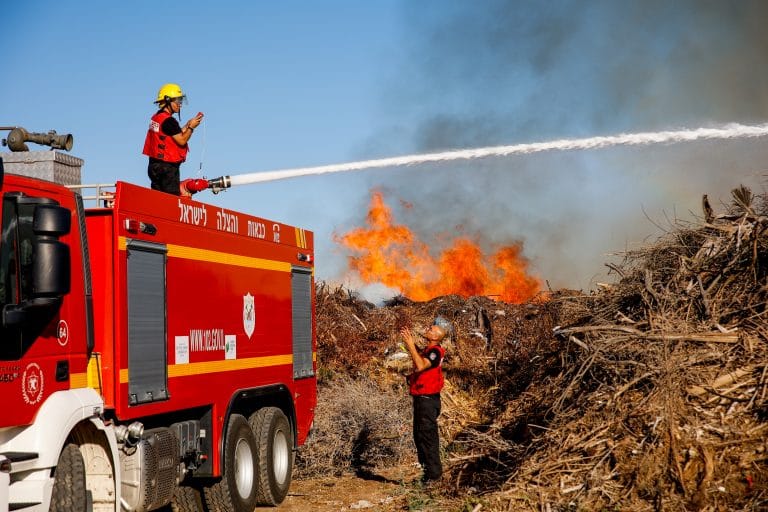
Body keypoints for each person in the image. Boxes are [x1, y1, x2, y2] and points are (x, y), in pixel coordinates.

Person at [400, 315, 450, 484]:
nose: (429, 328)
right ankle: (428, 474)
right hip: (422, 400)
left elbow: (421, 365)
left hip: (428, 401)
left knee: (428, 437)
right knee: (420, 436)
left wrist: (409, 344)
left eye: (433, 328)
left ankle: (434, 477)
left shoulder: (435, 351)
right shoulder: (428, 350)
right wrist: (411, 342)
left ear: (437, 337)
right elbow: (419, 359)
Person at [143, 83, 204, 196]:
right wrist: (191, 127)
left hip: (154, 167)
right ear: (167, 101)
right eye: (177, 101)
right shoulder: (169, 121)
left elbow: (170, 135)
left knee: (157, 199)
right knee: (171, 201)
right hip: (167, 169)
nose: (179, 104)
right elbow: (181, 140)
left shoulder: (157, 118)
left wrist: (187, 125)